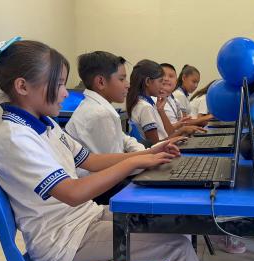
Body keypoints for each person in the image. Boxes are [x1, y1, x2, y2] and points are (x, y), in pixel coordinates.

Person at [0, 38, 201, 261]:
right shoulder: (15, 139)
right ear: (23, 87)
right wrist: (134, 161)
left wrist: (150, 152)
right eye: (59, 84)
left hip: (83, 218)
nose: (66, 93)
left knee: (173, 228)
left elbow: (91, 160)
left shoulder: (48, 126)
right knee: (176, 247)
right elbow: (73, 193)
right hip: (64, 240)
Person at [65, 51, 179, 205]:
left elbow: (124, 139)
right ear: (101, 82)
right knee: (162, 195)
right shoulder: (99, 113)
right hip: (100, 191)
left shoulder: (100, 108)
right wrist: (147, 159)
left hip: (106, 180)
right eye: (122, 78)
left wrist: (146, 154)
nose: (128, 84)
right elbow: (116, 169)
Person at [126, 59, 204, 145]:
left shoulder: (146, 104)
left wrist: (161, 110)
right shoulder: (145, 107)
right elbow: (155, 145)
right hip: (162, 153)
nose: (162, 84)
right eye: (160, 81)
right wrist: (183, 130)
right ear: (148, 81)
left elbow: (168, 133)